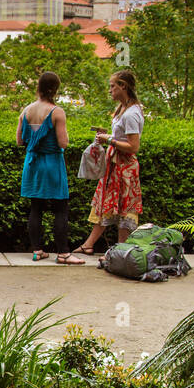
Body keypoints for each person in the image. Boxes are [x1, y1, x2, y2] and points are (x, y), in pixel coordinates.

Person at [16, 70, 84, 264]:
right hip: (52, 163)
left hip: (32, 164)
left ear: (38, 87)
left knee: (36, 207)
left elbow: (20, 140)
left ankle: (38, 250)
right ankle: (63, 253)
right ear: (55, 89)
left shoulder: (26, 111)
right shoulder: (57, 112)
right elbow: (63, 143)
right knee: (60, 207)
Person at [75, 69, 144, 255]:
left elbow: (133, 146)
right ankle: (93, 244)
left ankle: (119, 249)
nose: (110, 90)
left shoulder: (131, 114)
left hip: (124, 167)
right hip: (114, 165)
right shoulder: (123, 109)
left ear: (123, 86)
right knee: (107, 203)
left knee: (122, 208)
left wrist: (110, 140)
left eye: (113, 86)